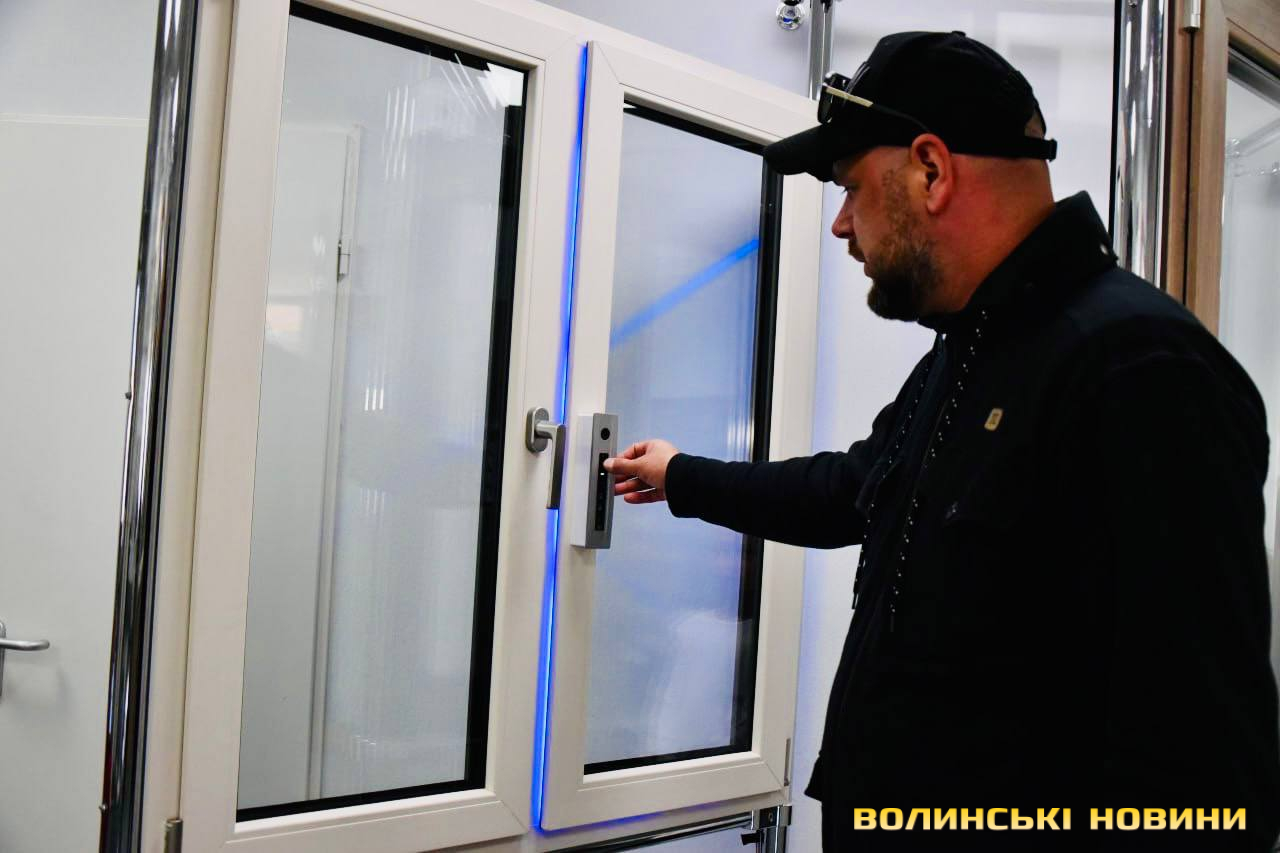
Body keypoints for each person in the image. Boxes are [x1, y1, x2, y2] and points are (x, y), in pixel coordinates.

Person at [604, 31, 1280, 851]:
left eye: (851, 188)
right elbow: (853, 489)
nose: (841, 225)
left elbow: (1203, 770)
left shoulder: (1139, 366)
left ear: (931, 169)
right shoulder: (972, 349)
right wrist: (681, 476)